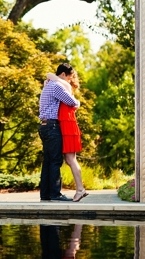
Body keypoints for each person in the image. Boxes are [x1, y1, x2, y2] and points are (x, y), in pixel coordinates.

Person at [38, 63, 80, 202]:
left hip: (44, 125)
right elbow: (72, 102)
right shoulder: (57, 86)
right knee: (55, 161)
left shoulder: (49, 84)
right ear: (63, 75)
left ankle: (45, 195)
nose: (69, 81)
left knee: (48, 161)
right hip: (52, 126)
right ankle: (55, 194)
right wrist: (78, 102)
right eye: (69, 78)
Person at [46, 71, 88, 202]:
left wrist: (53, 78)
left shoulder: (65, 86)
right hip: (65, 126)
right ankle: (81, 189)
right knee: (70, 159)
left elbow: (49, 75)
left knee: (71, 159)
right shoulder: (60, 86)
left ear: (63, 75)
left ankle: (80, 190)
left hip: (68, 126)